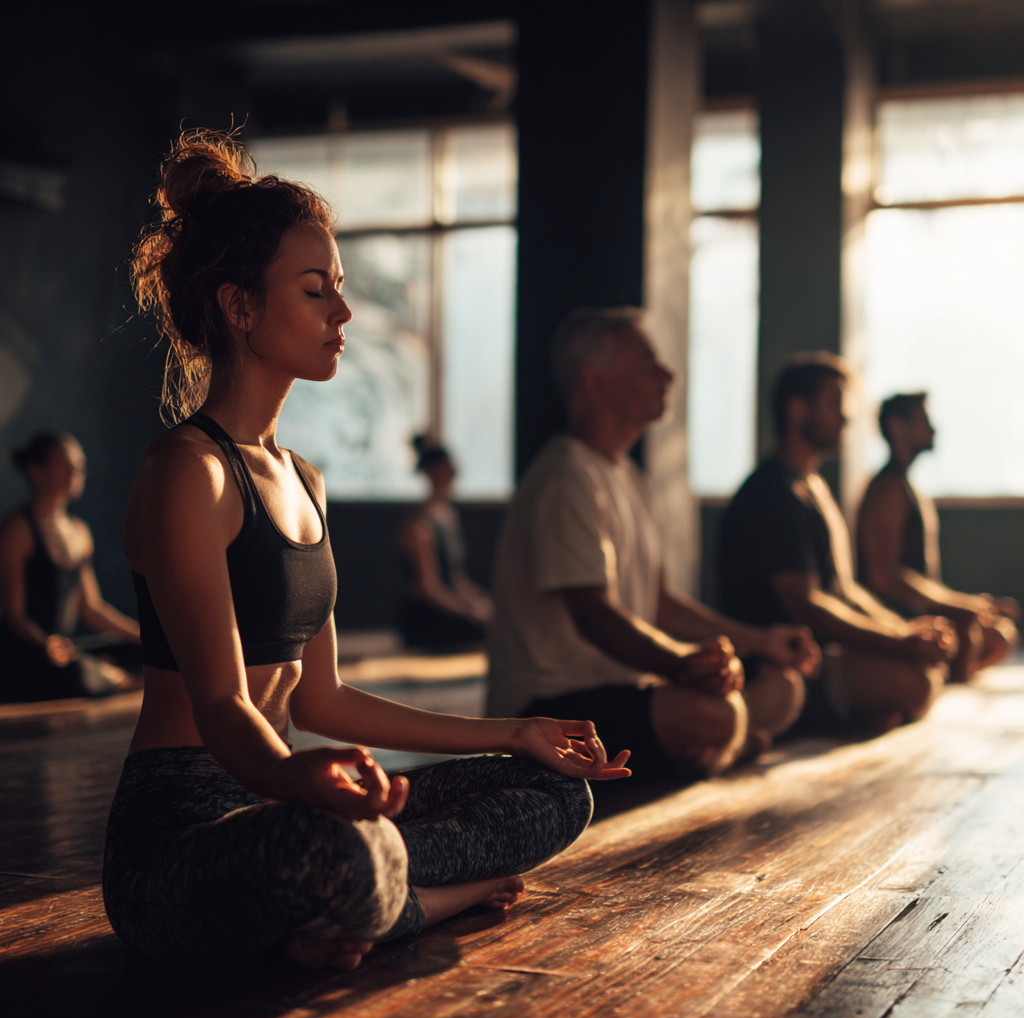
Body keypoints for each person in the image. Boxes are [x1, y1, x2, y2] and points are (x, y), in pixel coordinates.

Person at [104, 130, 629, 971]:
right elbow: (222, 708)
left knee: (553, 791)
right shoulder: (186, 474)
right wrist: (301, 786)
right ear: (240, 307)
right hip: (185, 839)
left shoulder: (305, 481)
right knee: (344, 851)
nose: (343, 315)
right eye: (316, 293)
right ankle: (416, 898)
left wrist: (516, 729)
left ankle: (365, 906)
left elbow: (325, 702)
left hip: (290, 794)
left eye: (339, 290)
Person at [486, 307, 818, 785]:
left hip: (623, 689)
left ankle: (708, 750)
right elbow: (594, 615)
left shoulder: (627, 475)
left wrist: (759, 642)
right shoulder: (567, 476)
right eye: (649, 364)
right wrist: (681, 664)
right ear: (595, 382)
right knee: (714, 716)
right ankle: (710, 748)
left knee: (781, 688)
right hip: (551, 708)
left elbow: (662, 605)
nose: (668, 374)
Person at [718, 354, 958, 735]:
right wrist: (896, 641)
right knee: (915, 683)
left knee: (929, 666)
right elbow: (806, 605)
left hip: (831, 652)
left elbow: (845, 591)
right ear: (798, 410)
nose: (848, 416)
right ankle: (823, 717)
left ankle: (856, 713)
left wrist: (903, 629)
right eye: (837, 403)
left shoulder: (814, 486)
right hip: (789, 663)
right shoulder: (772, 492)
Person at [857, 392, 1018, 682]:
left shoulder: (908, 487)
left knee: (999, 633)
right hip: (897, 618)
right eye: (925, 421)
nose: (933, 429)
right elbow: (882, 576)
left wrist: (972, 602)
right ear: (897, 426)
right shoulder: (888, 488)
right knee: (985, 634)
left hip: (924, 609)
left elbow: (926, 581)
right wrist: (959, 606)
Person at [0, 432, 141, 702]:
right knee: (70, 669)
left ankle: (107, 672)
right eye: (66, 464)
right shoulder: (17, 530)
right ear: (36, 471)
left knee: (136, 652)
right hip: (29, 652)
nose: (77, 471)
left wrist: (142, 636)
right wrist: (46, 644)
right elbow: (14, 616)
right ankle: (112, 677)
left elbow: (91, 608)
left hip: (63, 649)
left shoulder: (79, 532)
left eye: (79, 464)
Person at [397, 435, 491, 651]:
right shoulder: (418, 522)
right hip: (426, 616)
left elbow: (456, 578)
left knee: (495, 618)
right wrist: (468, 611)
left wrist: (482, 601)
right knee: (483, 629)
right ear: (433, 471)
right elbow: (427, 588)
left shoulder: (448, 516)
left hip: (447, 606)